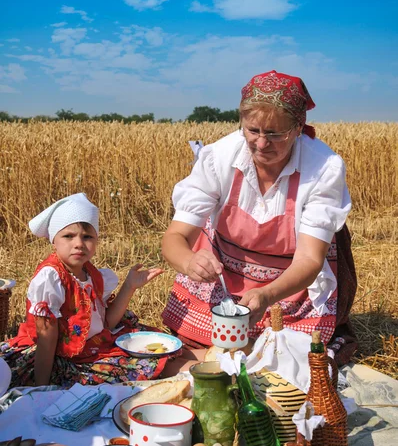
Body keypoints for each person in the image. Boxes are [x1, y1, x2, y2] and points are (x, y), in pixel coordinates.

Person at [161, 70, 357, 367]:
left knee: (285, 356)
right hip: (225, 274)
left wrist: (266, 295)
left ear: (297, 127)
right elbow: (174, 238)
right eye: (253, 131)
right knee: (214, 349)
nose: (262, 144)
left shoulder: (323, 168)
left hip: (289, 285)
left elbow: (308, 260)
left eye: (275, 134)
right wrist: (189, 262)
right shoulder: (219, 157)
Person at [0, 193, 166, 387]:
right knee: (153, 365)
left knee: (163, 351)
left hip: (94, 346)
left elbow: (106, 324)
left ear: (96, 241)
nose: (78, 243)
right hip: (60, 358)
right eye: (68, 236)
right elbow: (46, 338)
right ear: (54, 240)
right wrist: (41, 389)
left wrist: (129, 287)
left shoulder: (91, 275)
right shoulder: (51, 278)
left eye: (87, 236)